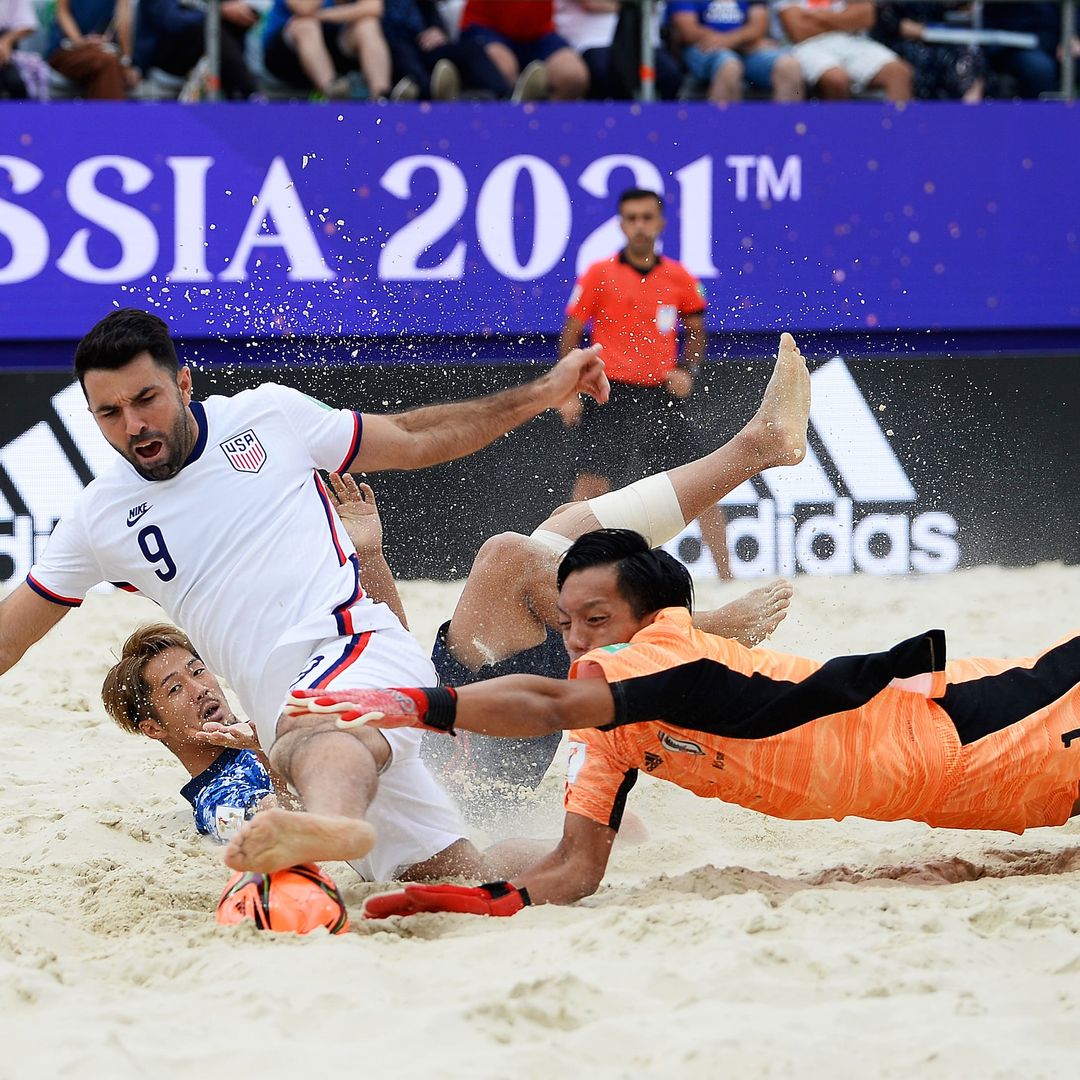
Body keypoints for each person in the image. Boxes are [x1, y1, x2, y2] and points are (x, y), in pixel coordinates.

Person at [0, 307, 608, 881]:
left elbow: (415, 436)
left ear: (183, 384)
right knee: (457, 873)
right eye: (109, 412)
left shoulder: (266, 417)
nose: (133, 425)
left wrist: (544, 391)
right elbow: (9, 638)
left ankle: (329, 824)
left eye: (145, 399)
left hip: (355, 644)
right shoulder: (98, 517)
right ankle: (584, 852)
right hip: (300, 735)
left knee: (311, 728)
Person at [297, 527, 1080, 918]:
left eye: (595, 619)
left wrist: (424, 704)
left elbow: (554, 701)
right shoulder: (605, 729)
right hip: (976, 799)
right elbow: (574, 870)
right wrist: (456, 901)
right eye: (566, 622)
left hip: (999, 723)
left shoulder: (663, 649)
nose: (576, 641)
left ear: (652, 614)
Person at [424, 330, 809, 820]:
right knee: (510, 555)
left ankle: (760, 445)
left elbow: (378, 636)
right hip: (463, 761)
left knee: (566, 523)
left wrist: (370, 554)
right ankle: (696, 627)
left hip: (464, 723)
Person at [559, 187, 730, 579]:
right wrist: (567, 392)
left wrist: (688, 370)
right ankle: (565, 569)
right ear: (621, 224)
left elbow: (697, 329)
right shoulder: (599, 273)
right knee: (590, 486)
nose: (639, 226)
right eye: (631, 218)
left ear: (660, 223)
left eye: (646, 218)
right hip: (611, 392)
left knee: (703, 483)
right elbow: (570, 336)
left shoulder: (679, 276)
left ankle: (726, 578)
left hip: (660, 394)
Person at [772, 0, 913, 101]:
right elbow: (799, 31)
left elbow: (866, 17)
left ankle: (896, 138)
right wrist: (845, 18)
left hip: (854, 41)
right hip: (809, 44)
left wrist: (820, 16)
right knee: (836, 79)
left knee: (899, 72)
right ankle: (841, 137)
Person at [667, 0, 804, 102]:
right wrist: (740, 41)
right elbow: (688, 31)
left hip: (746, 49)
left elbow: (759, 26)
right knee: (729, 66)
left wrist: (731, 41)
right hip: (704, 49)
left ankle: (786, 135)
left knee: (789, 66)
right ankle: (723, 137)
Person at [458, 0, 589, 101]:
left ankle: (546, 128)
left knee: (573, 77)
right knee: (502, 70)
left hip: (538, 32)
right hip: (486, 27)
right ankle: (506, 126)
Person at [262, 0, 393, 100]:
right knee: (305, 25)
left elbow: (373, 8)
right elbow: (304, 9)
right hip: (286, 53)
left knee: (367, 25)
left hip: (333, 42)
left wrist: (322, 15)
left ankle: (381, 96)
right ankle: (333, 92)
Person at [553, 0, 682, 100]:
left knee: (669, 75)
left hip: (642, 39)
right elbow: (590, 3)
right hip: (590, 39)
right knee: (605, 73)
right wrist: (633, 6)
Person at [134, 0, 261, 100]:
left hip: (200, 59)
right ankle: (251, 93)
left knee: (230, 24)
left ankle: (238, 95)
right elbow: (173, 21)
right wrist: (218, 10)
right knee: (207, 26)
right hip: (162, 61)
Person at [381, 0, 507, 100]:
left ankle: (507, 99)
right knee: (407, 62)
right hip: (393, 47)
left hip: (424, 46)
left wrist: (437, 30)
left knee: (470, 49)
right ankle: (433, 101)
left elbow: (433, 15)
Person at [872, 2, 984, 102]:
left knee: (971, 57)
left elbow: (953, 7)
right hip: (899, 39)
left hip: (939, 37)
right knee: (925, 59)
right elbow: (886, 18)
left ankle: (967, 116)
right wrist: (926, 32)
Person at [46, 0, 139, 99]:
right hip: (66, 49)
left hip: (103, 51)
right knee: (108, 63)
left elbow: (123, 20)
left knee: (108, 67)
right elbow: (62, 12)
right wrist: (81, 42)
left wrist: (126, 62)